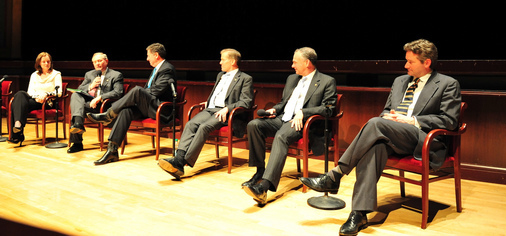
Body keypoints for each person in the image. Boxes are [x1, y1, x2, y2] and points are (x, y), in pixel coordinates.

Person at [300, 39, 461, 235]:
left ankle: (335, 175)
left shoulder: (447, 84)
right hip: (393, 134)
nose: (405, 65)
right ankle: (358, 214)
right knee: (374, 147)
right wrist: (390, 117)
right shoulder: (400, 81)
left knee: (376, 123)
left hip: (423, 139)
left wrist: (413, 120)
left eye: (410, 62)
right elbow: (386, 111)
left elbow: (449, 121)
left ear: (426, 62)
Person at [242, 47, 337, 205]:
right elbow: (284, 103)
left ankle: (264, 188)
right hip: (283, 118)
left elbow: (329, 108)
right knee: (254, 125)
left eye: (295, 62)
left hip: (302, 123)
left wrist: (304, 112)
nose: (292, 65)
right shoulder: (292, 79)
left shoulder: (326, 81)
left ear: (307, 63)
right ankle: (260, 172)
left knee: (281, 136)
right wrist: (275, 109)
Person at [158, 48, 253, 179]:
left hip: (225, 113)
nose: (220, 62)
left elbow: (246, 101)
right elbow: (218, 93)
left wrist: (228, 108)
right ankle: (179, 158)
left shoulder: (245, 78)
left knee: (204, 127)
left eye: (223, 60)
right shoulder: (220, 75)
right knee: (191, 124)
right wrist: (209, 102)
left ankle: (182, 162)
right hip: (210, 109)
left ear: (232, 61)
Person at [87, 43, 176, 165]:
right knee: (125, 111)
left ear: (156, 55)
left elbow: (156, 91)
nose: (147, 58)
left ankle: (109, 114)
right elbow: (150, 90)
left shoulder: (167, 68)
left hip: (161, 110)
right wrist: (140, 96)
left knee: (137, 90)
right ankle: (112, 150)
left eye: (148, 55)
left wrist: (140, 95)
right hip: (150, 106)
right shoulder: (157, 69)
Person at [67, 53, 124, 153]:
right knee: (76, 97)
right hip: (90, 104)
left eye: (99, 61)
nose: (97, 63)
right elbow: (80, 89)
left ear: (106, 61)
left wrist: (100, 98)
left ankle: (77, 136)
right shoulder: (89, 74)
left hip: (105, 107)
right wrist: (91, 85)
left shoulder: (116, 75)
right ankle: (78, 126)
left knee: (77, 110)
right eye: (95, 62)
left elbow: (117, 93)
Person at [9, 52, 63, 146]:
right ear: (39, 63)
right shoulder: (34, 75)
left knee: (17, 104)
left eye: (48, 61)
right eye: (44, 62)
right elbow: (30, 92)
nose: (46, 64)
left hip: (48, 102)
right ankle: (18, 125)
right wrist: (37, 97)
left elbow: (59, 92)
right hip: (35, 100)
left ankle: (17, 134)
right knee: (20, 95)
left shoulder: (56, 74)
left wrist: (46, 94)